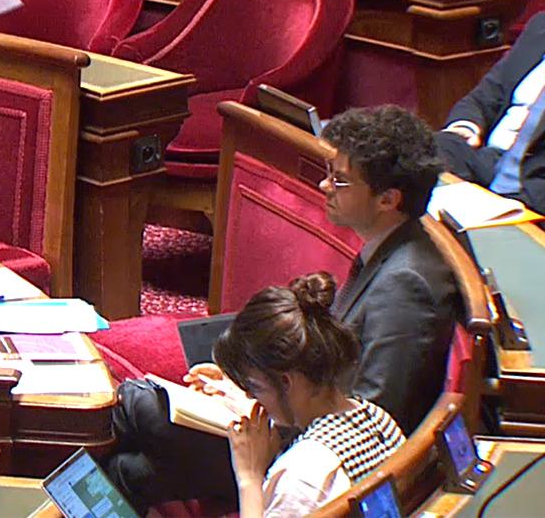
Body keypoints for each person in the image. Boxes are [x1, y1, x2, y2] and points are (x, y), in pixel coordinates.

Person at [104, 105, 458, 512]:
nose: (325, 185)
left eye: (340, 180)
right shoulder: (391, 249)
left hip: (303, 442)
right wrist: (247, 385)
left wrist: (259, 401)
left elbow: (372, 417)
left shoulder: (406, 285)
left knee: (138, 408)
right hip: (293, 408)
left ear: (387, 199)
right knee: (131, 469)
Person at [215, 272, 405, 517]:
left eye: (255, 387)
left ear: (285, 381)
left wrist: (249, 479)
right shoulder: (377, 418)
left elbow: (305, 489)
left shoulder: (300, 479)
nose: (252, 398)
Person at [436, 12, 545, 214]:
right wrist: (466, 126)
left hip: (534, 185)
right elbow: (483, 97)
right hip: (487, 159)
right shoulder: (540, 26)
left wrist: (501, 205)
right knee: (410, 160)